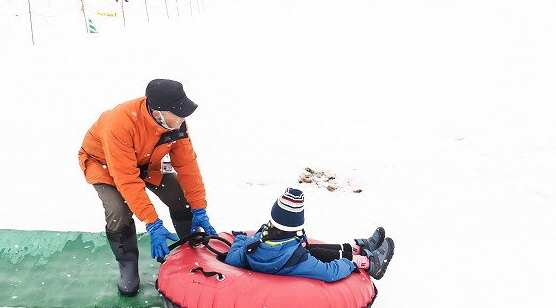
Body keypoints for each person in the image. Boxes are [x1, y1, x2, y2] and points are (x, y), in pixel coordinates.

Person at [78, 79, 216, 296]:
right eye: (178, 114)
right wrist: (153, 223)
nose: (183, 119)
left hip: (146, 163)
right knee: (118, 210)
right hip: (105, 164)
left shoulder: (175, 123)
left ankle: (188, 250)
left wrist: (199, 208)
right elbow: (126, 179)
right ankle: (128, 265)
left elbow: (187, 165)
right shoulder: (120, 124)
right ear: (158, 111)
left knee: (180, 196)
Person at [224, 187, 394, 282]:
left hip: (282, 254)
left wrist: (240, 239)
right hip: (289, 263)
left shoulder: (253, 245)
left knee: (311, 250)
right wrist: (350, 263)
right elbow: (329, 272)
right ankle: (366, 261)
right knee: (311, 253)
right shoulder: (299, 261)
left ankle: (357, 248)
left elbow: (231, 259)